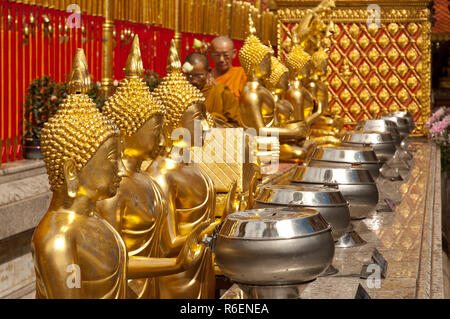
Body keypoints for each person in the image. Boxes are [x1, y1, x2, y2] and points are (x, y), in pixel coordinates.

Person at [183, 52, 241, 127]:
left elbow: (236, 126)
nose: (193, 80)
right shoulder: (179, 93)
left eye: (199, 76)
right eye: (189, 76)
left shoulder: (222, 93)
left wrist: (211, 120)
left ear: (208, 73)